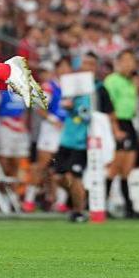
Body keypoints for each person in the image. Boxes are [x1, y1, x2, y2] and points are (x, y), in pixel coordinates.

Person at [24, 58, 72, 213]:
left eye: (67, 67)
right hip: (50, 131)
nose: (65, 70)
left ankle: (60, 202)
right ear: (57, 69)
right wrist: (53, 120)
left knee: (63, 168)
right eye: (62, 67)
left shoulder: (72, 88)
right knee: (41, 166)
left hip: (66, 132)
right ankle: (29, 200)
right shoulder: (49, 87)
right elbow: (39, 106)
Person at [103, 50, 139, 217]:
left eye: (131, 61)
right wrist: (115, 129)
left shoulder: (131, 82)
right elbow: (109, 106)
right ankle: (101, 206)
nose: (129, 64)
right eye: (125, 61)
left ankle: (129, 208)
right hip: (116, 123)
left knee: (128, 168)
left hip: (129, 123)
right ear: (117, 63)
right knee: (114, 166)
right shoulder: (112, 81)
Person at [54, 80, 92, 223]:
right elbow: (60, 110)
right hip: (65, 141)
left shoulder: (88, 98)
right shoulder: (67, 97)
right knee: (58, 177)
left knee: (75, 177)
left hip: (80, 144)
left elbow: (88, 117)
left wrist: (74, 108)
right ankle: (79, 196)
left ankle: (79, 211)